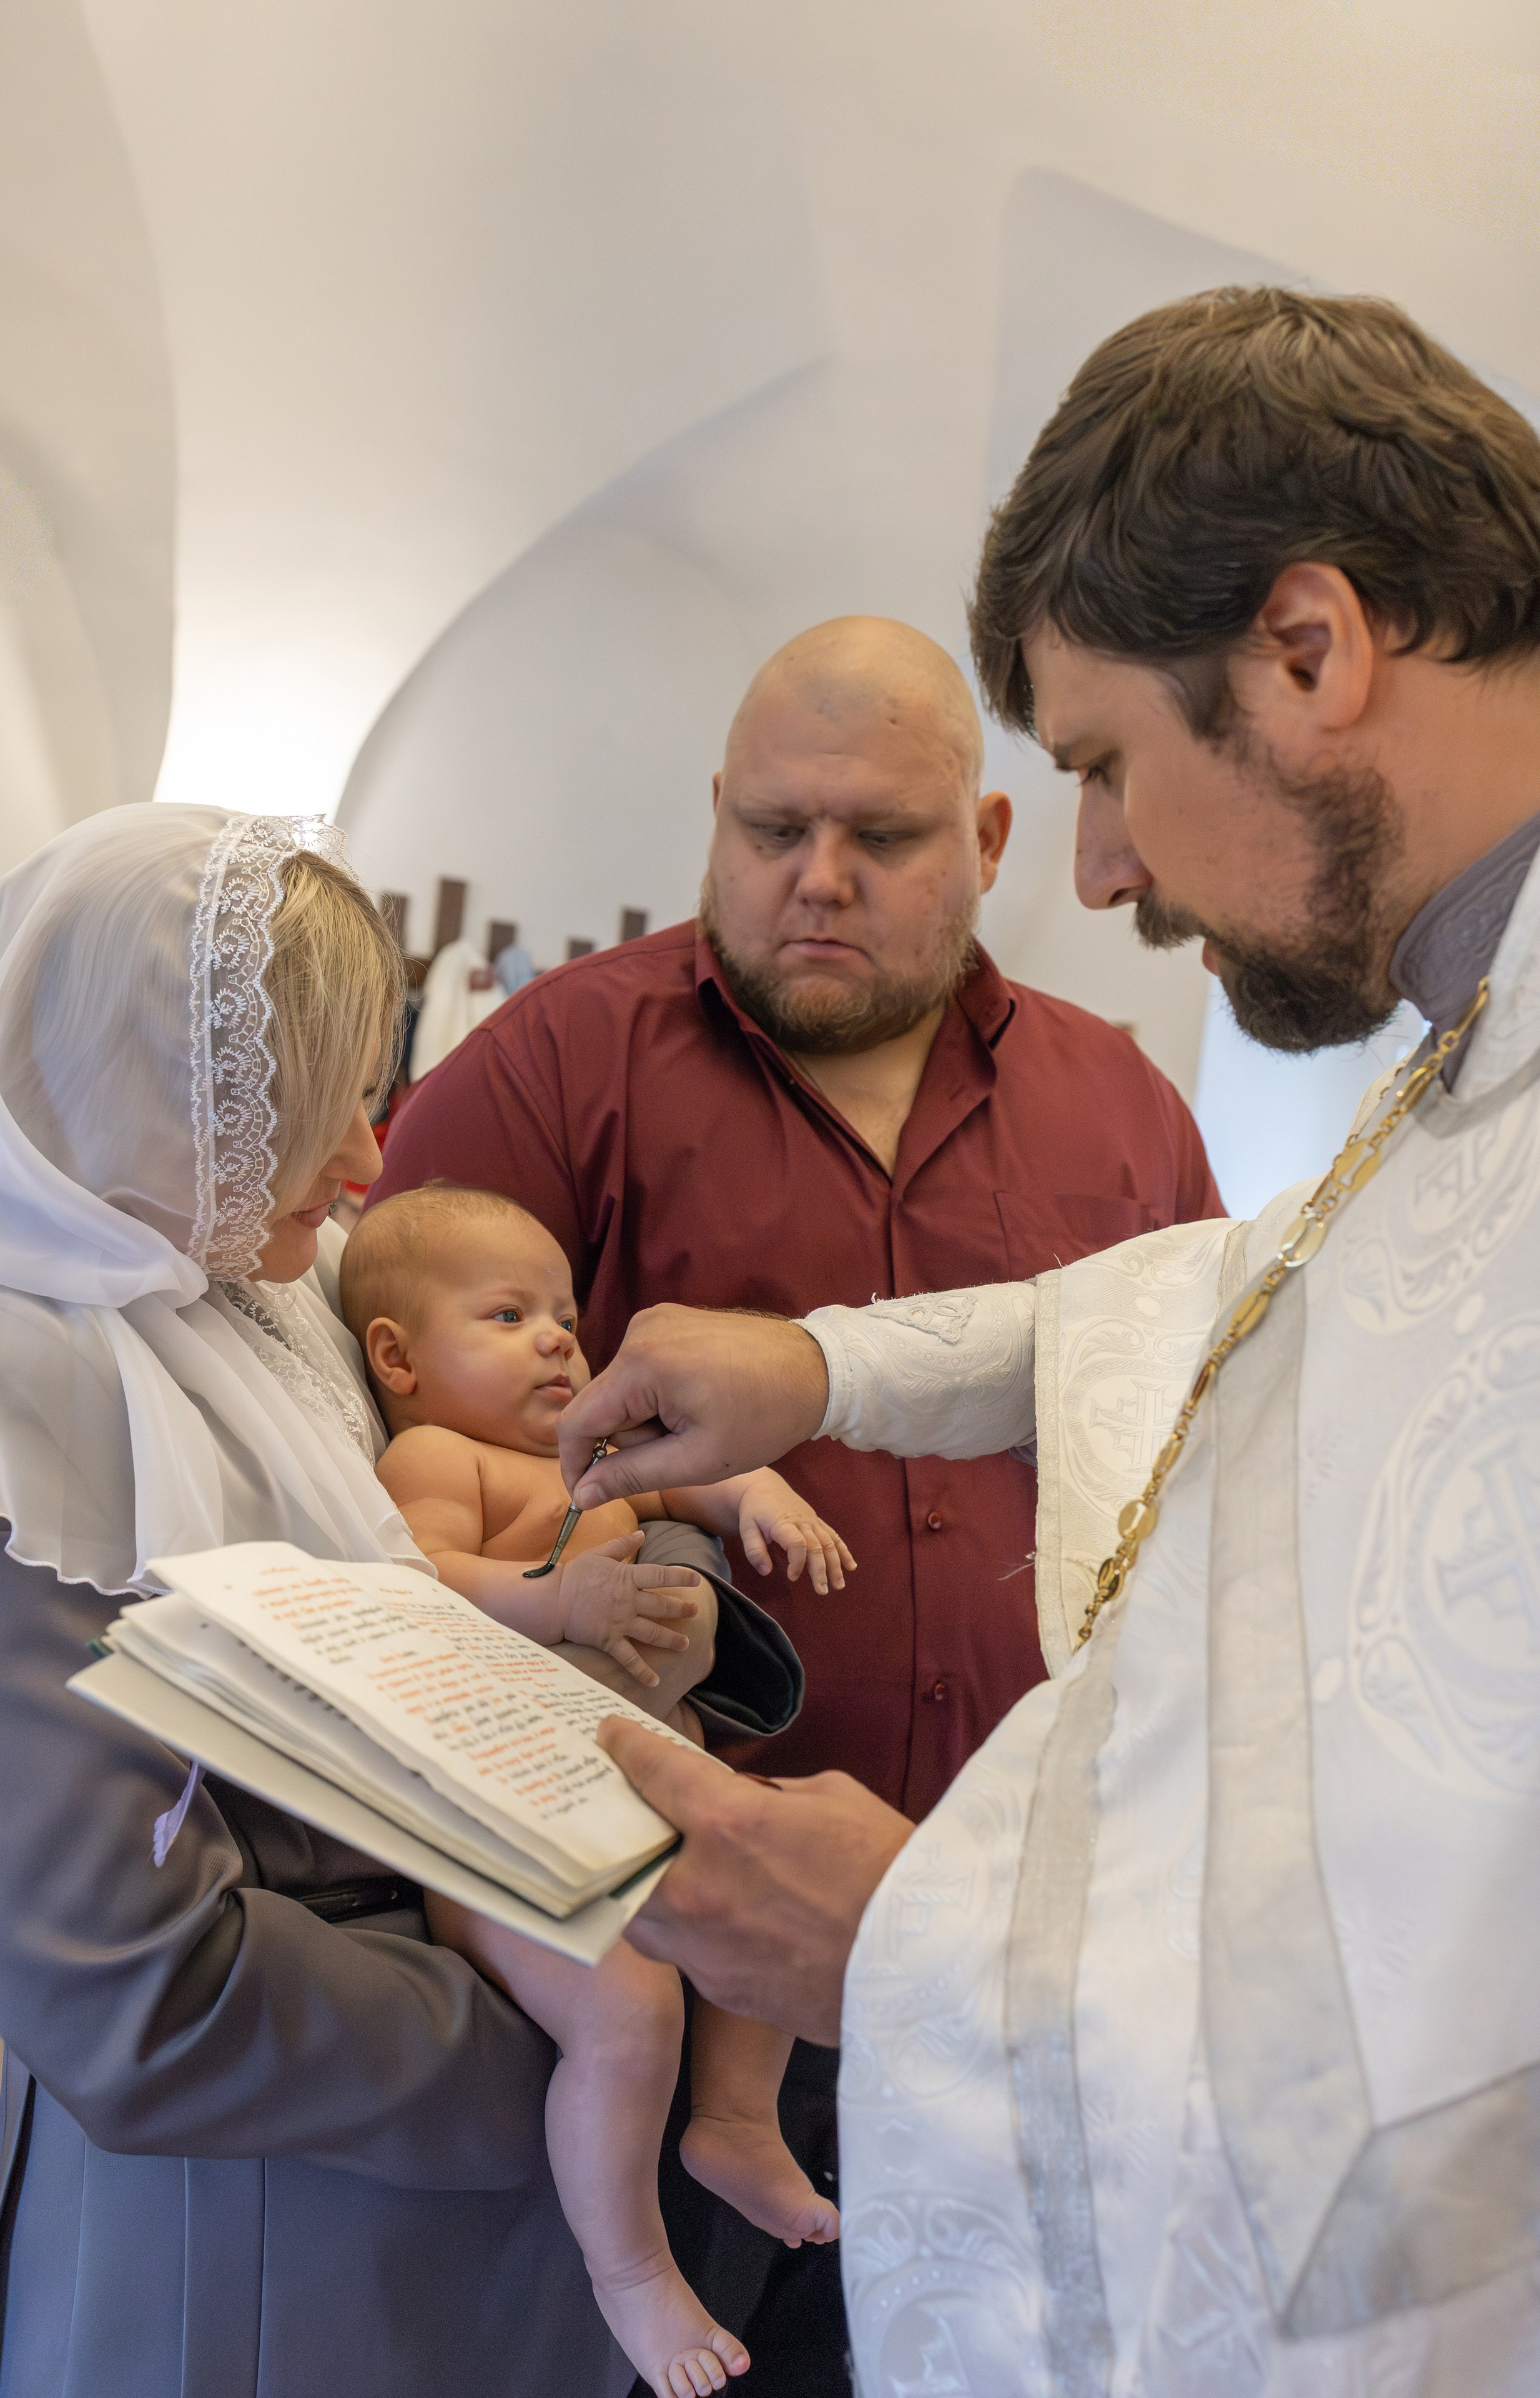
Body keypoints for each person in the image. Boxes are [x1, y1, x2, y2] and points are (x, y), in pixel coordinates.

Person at [554, 288, 1540, 2397]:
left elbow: (1468, 2026)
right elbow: (1246, 1290)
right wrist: (821, 1369)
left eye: (1102, 766)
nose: (1094, 871)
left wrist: (927, 1958)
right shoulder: (1484, 1065)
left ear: (1309, 651)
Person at [372, 613, 1222, 2392]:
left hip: (990, 1948)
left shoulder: (1121, 1107)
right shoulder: (558, 1062)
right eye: (771, 830)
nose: (814, 879)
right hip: (651, 1959)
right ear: (715, 818)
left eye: (881, 837)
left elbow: (1189, 1454)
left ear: (987, 843)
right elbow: (366, 1376)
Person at [0, 806, 637, 2397]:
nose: (369, 1159)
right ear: (155, 1088)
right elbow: (139, 1994)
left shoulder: (249, 1286)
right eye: (303, 1110)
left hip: (443, 2187)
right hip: (269, 2231)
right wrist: (559, 2049)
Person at [339, 1183, 848, 2396]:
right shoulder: (439, 1456)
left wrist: (758, 1491)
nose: (559, 1338)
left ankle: (733, 2123)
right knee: (630, 2013)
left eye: (563, 1313)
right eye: (508, 1315)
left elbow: (701, 1478)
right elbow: (416, 1584)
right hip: (502, 1831)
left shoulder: (598, 1460)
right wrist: (550, 1602)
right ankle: (629, 2270)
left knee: (762, 1910)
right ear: (399, 1359)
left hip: (642, 1819)